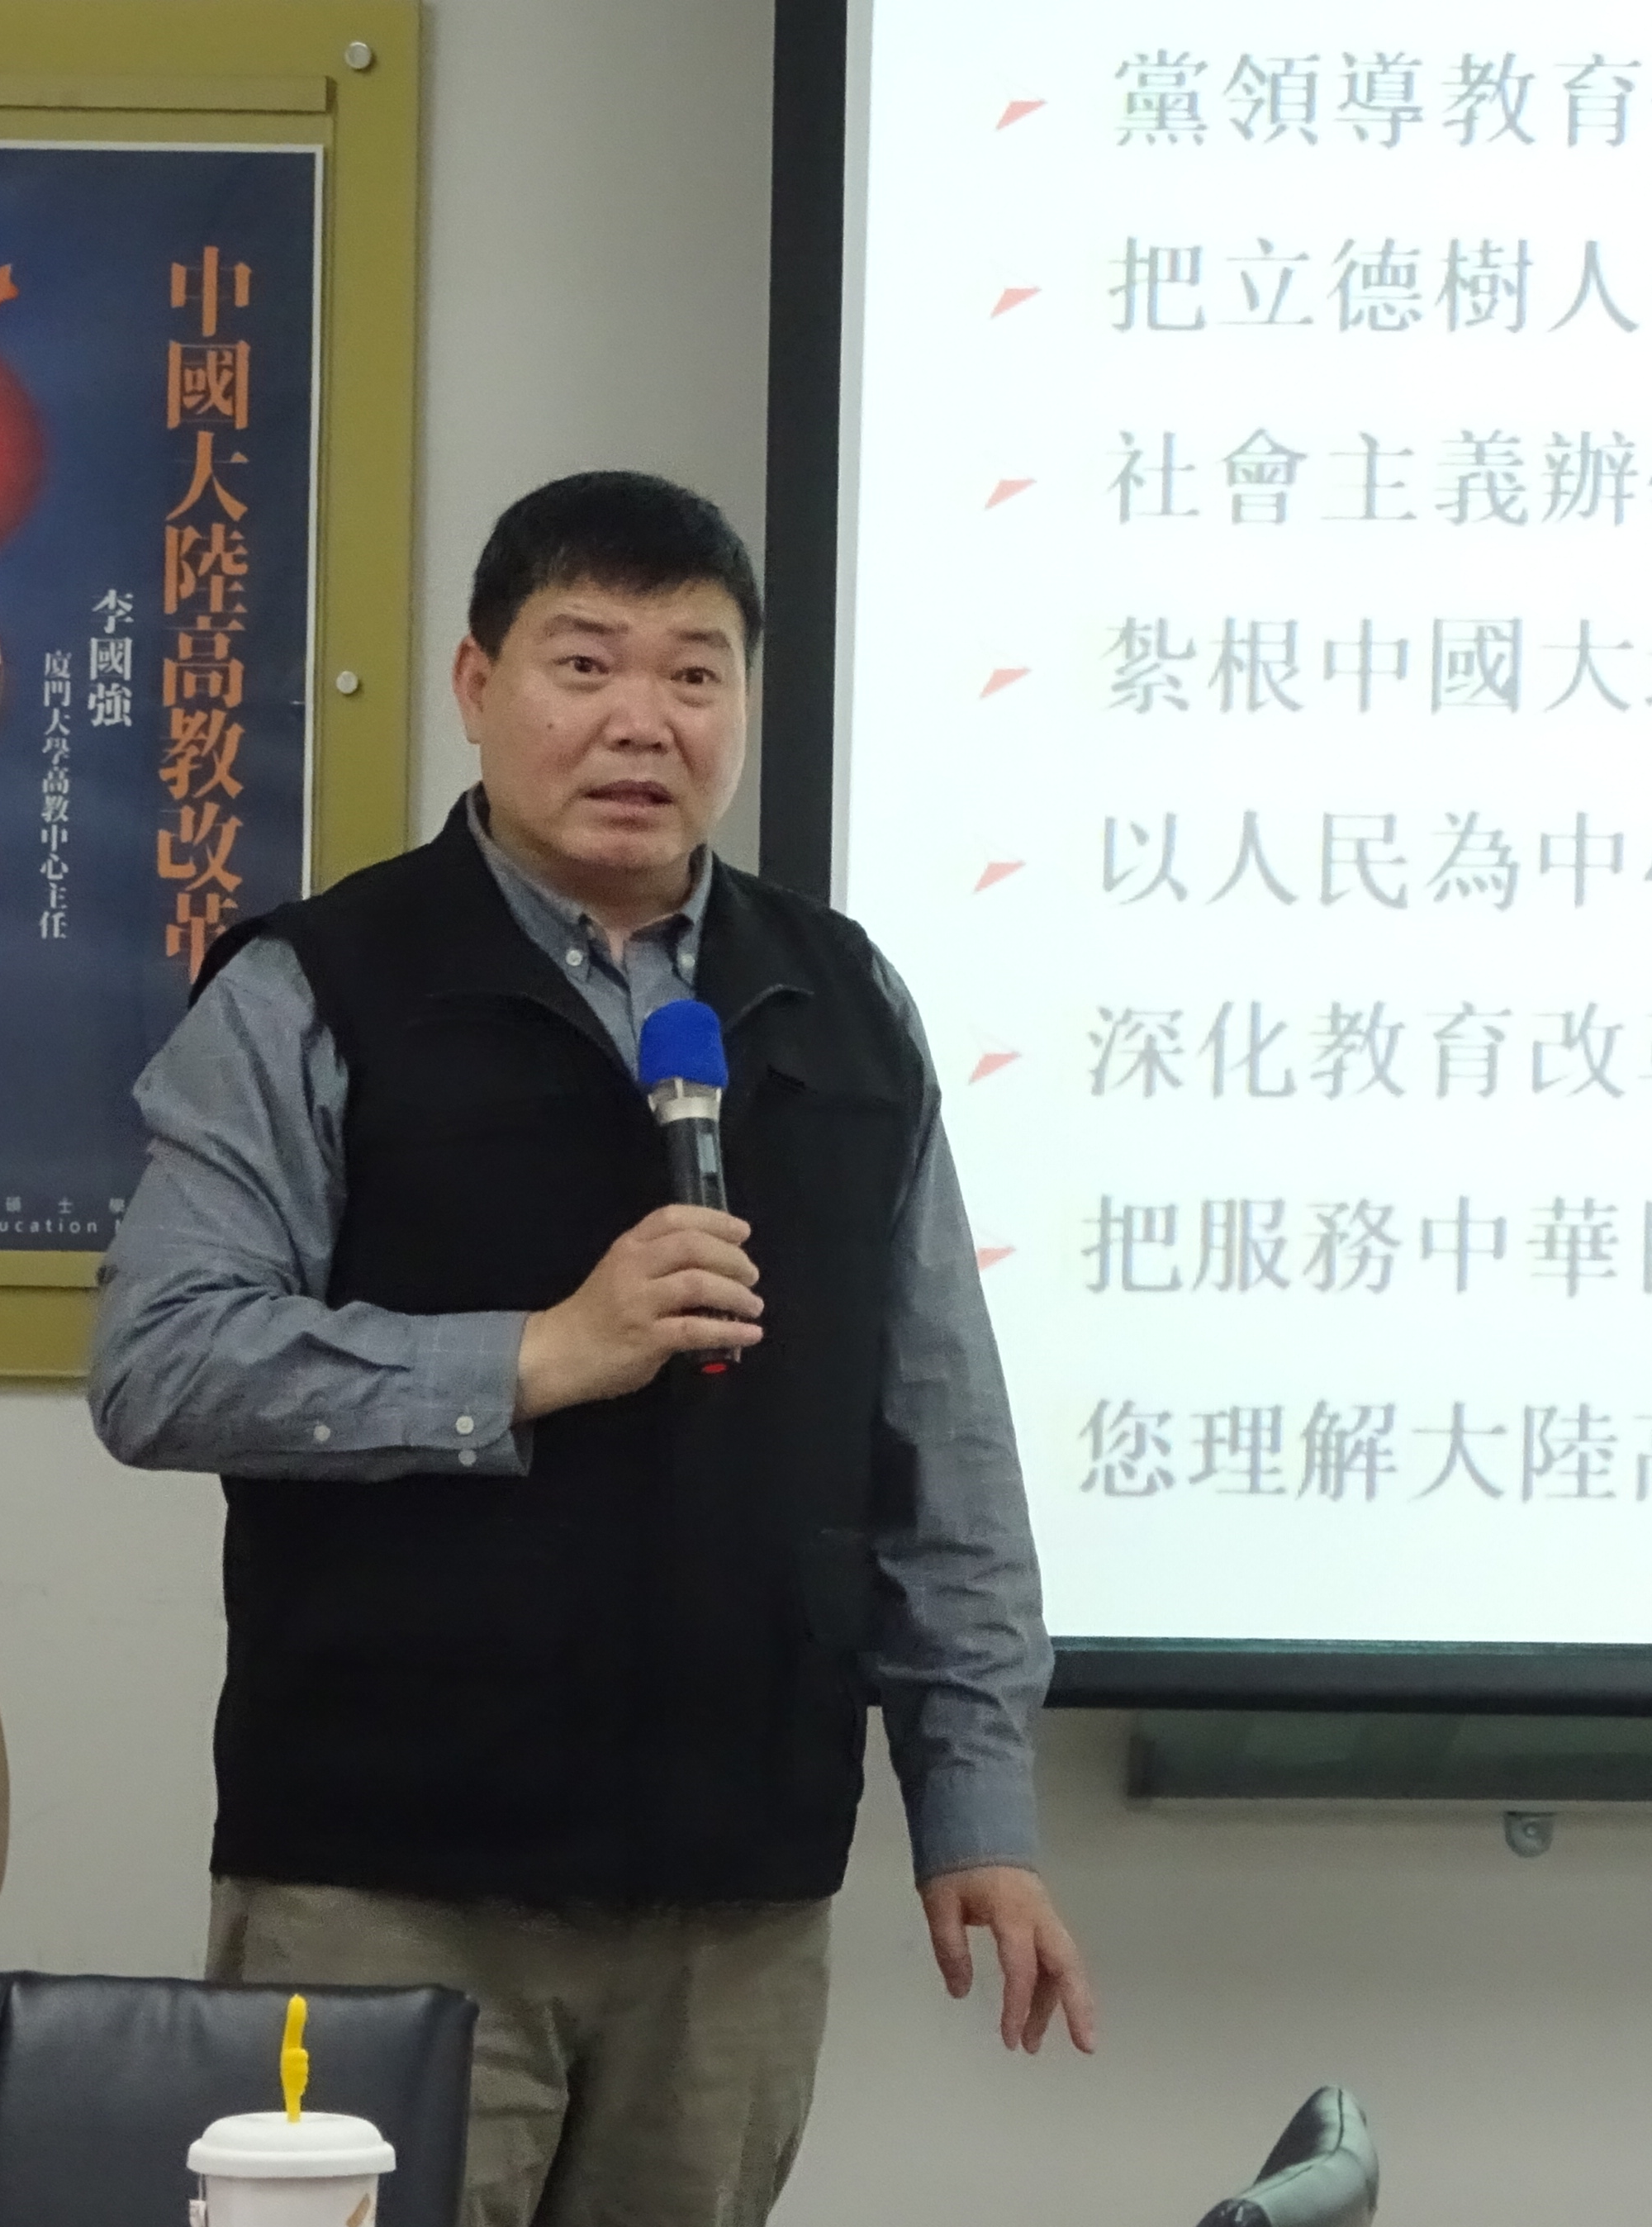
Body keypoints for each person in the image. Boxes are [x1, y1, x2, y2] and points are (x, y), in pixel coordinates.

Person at [89, 470, 1093, 2227]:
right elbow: (161, 1361)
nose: (644, 721)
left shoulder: (844, 999)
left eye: (695, 674)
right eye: (587, 663)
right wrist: (535, 1356)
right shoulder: (318, 986)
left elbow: (939, 1431)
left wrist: (978, 1810)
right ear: (477, 688)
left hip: (735, 1901)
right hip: (389, 1887)